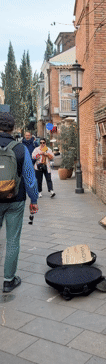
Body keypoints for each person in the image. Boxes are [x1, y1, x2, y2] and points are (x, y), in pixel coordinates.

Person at [0, 112, 38, 293]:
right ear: (13, 128)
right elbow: (30, 177)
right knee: (13, 240)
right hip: (16, 199)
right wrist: (34, 199)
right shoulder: (20, 148)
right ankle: (8, 280)